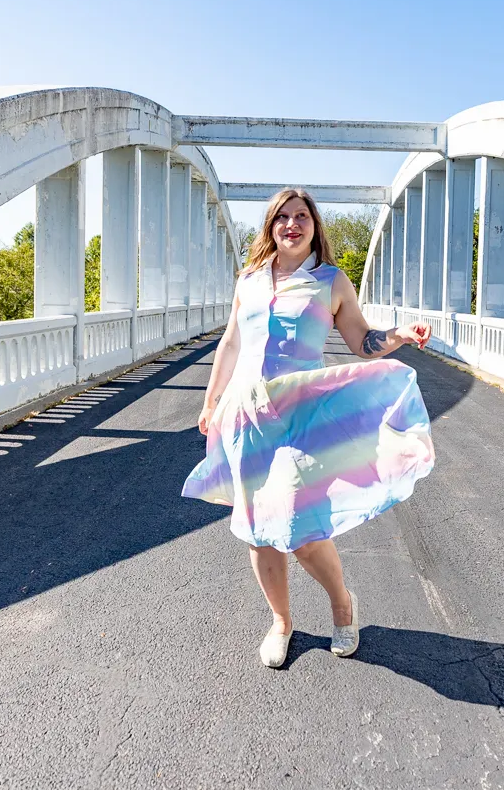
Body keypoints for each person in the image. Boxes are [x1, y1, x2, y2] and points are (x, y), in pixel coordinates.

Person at [182, 188, 435, 668]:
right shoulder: (250, 280)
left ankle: (342, 603)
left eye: (302, 217)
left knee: (300, 525)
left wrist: (398, 335)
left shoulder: (331, 282)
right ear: (270, 226)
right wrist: (211, 399)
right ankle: (281, 621)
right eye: (283, 217)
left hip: (302, 418)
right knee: (257, 530)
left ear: (315, 225)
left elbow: (361, 341)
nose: (292, 225)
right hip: (247, 415)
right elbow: (232, 343)